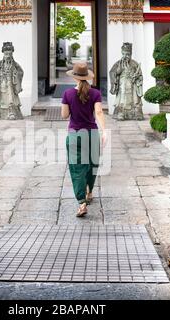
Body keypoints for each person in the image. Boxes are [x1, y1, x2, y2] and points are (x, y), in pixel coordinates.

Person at [61, 62, 106, 217]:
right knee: (92, 165)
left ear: (74, 77)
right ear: (87, 77)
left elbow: (64, 115)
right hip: (92, 134)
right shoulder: (95, 93)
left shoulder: (67, 94)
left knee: (77, 168)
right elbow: (99, 113)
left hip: (74, 135)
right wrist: (104, 131)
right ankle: (90, 192)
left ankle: (82, 202)